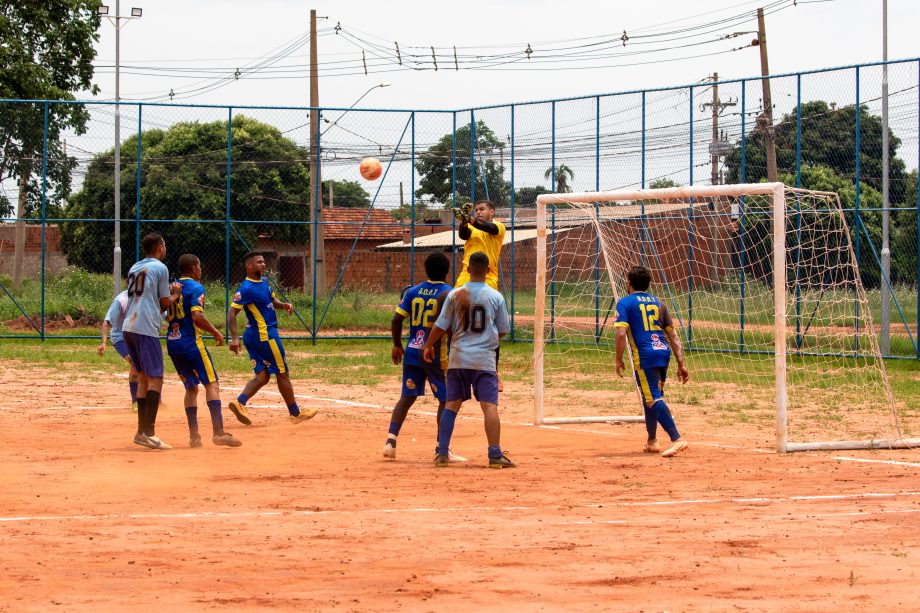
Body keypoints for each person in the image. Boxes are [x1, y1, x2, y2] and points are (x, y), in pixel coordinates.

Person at [423, 251, 515, 469]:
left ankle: (442, 453)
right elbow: (502, 330)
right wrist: (485, 339)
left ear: (467, 270)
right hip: (484, 360)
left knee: (451, 405)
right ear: (489, 270)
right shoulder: (496, 297)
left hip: (458, 358)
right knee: (489, 407)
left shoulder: (455, 295)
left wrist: (428, 345)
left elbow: (440, 326)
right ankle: (494, 455)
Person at [384, 252, 466, 462]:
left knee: (407, 396)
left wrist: (396, 345)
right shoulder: (450, 293)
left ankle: (390, 442)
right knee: (446, 400)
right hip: (435, 354)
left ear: (426, 270)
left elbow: (396, 320)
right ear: (448, 271)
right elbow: (451, 327)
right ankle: (441, 448)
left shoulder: (413, 291)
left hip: (412, 350)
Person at [227, 252, 316, 425]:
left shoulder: (264, 283)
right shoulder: (246, 289)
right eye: (259, 262)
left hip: (254, 336)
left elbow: (272, 300)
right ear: (249, 266)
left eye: (263, 261)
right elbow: (232, 313)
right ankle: (295, 413)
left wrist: (283, 305)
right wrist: (234, 338)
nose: (263, 264)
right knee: (282, 373)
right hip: (265, 336)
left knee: (263, 376)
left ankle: (239, 402)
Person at [613, 265, 690, 458]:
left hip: (645, 356)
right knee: (651, 397)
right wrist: (682, 364)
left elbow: (621, 334)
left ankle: (677, 439)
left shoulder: (625, 303)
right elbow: (673, 336)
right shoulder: (659, 303)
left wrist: (618, 359)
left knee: (653, 397)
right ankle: (652, 441)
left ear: (628, 283)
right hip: (663, 353)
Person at [166, 254, 241, 448]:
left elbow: (166, 314)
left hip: (173, 344)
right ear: (193, 269)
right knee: (212, 384)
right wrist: (216, 333)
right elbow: (197, 316)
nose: (201, 270)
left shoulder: (172, 286)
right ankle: (218, 433)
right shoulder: (196, 287)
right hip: (191, 343)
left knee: (191, 388)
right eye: (199, 267)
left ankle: (194, 437)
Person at [123, 232, 182, 450]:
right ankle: (150, 432)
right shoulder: (160, 267)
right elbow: (165, 302)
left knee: (144, 379)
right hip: (145, 327)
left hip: (128, 325)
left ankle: (141, 433)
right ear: (160, 247)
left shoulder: (135, 267)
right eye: (164, 246)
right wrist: (175, 293)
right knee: (155, 379)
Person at [454, 199, 507, 391]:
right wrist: (463, 222)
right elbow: (463, 234)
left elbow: (489, 229)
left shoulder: (498, 227)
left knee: (489, 327)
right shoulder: (473, 227)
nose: (479, 212)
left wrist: (469, 218)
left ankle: (494, 371)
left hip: (488, 279)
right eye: (476, 210)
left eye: (482, 209)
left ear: (492, 212)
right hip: (464, 278)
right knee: (457, 323)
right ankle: (456, 368)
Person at [97, 290, 138, 412]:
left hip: (139, 336)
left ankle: (157, 400)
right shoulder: (121, 300)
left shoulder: (147, 296)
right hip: (120, 337)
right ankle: (135, 402)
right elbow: (106, 322)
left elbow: (163, 314)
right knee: (135, 363)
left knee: (152, 364)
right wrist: (104, 343)